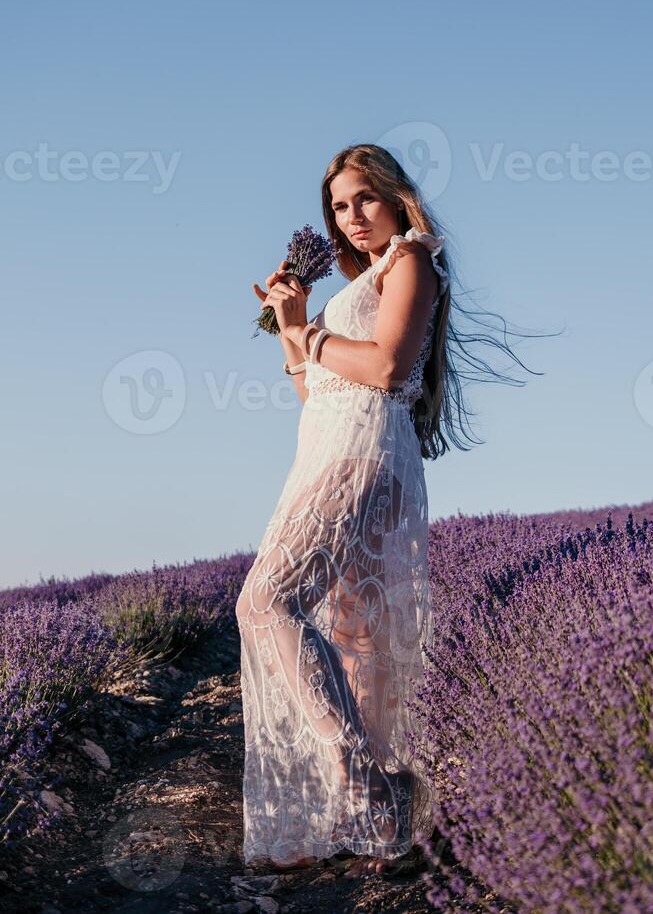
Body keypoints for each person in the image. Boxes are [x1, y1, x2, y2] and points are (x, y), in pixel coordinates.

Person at [234, 144, 549, 878]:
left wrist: (309, 333)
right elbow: (324, 392)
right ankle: (383, 825)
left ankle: (368, 788)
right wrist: (293, 326)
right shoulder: (364, 279)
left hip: (362, 455)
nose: (352, 219)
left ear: (395, 196)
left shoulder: (410, 259)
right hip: (337, 446)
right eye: (339, 208)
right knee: (357, 639)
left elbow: (385, 367)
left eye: (363, 200)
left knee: (265, 602)